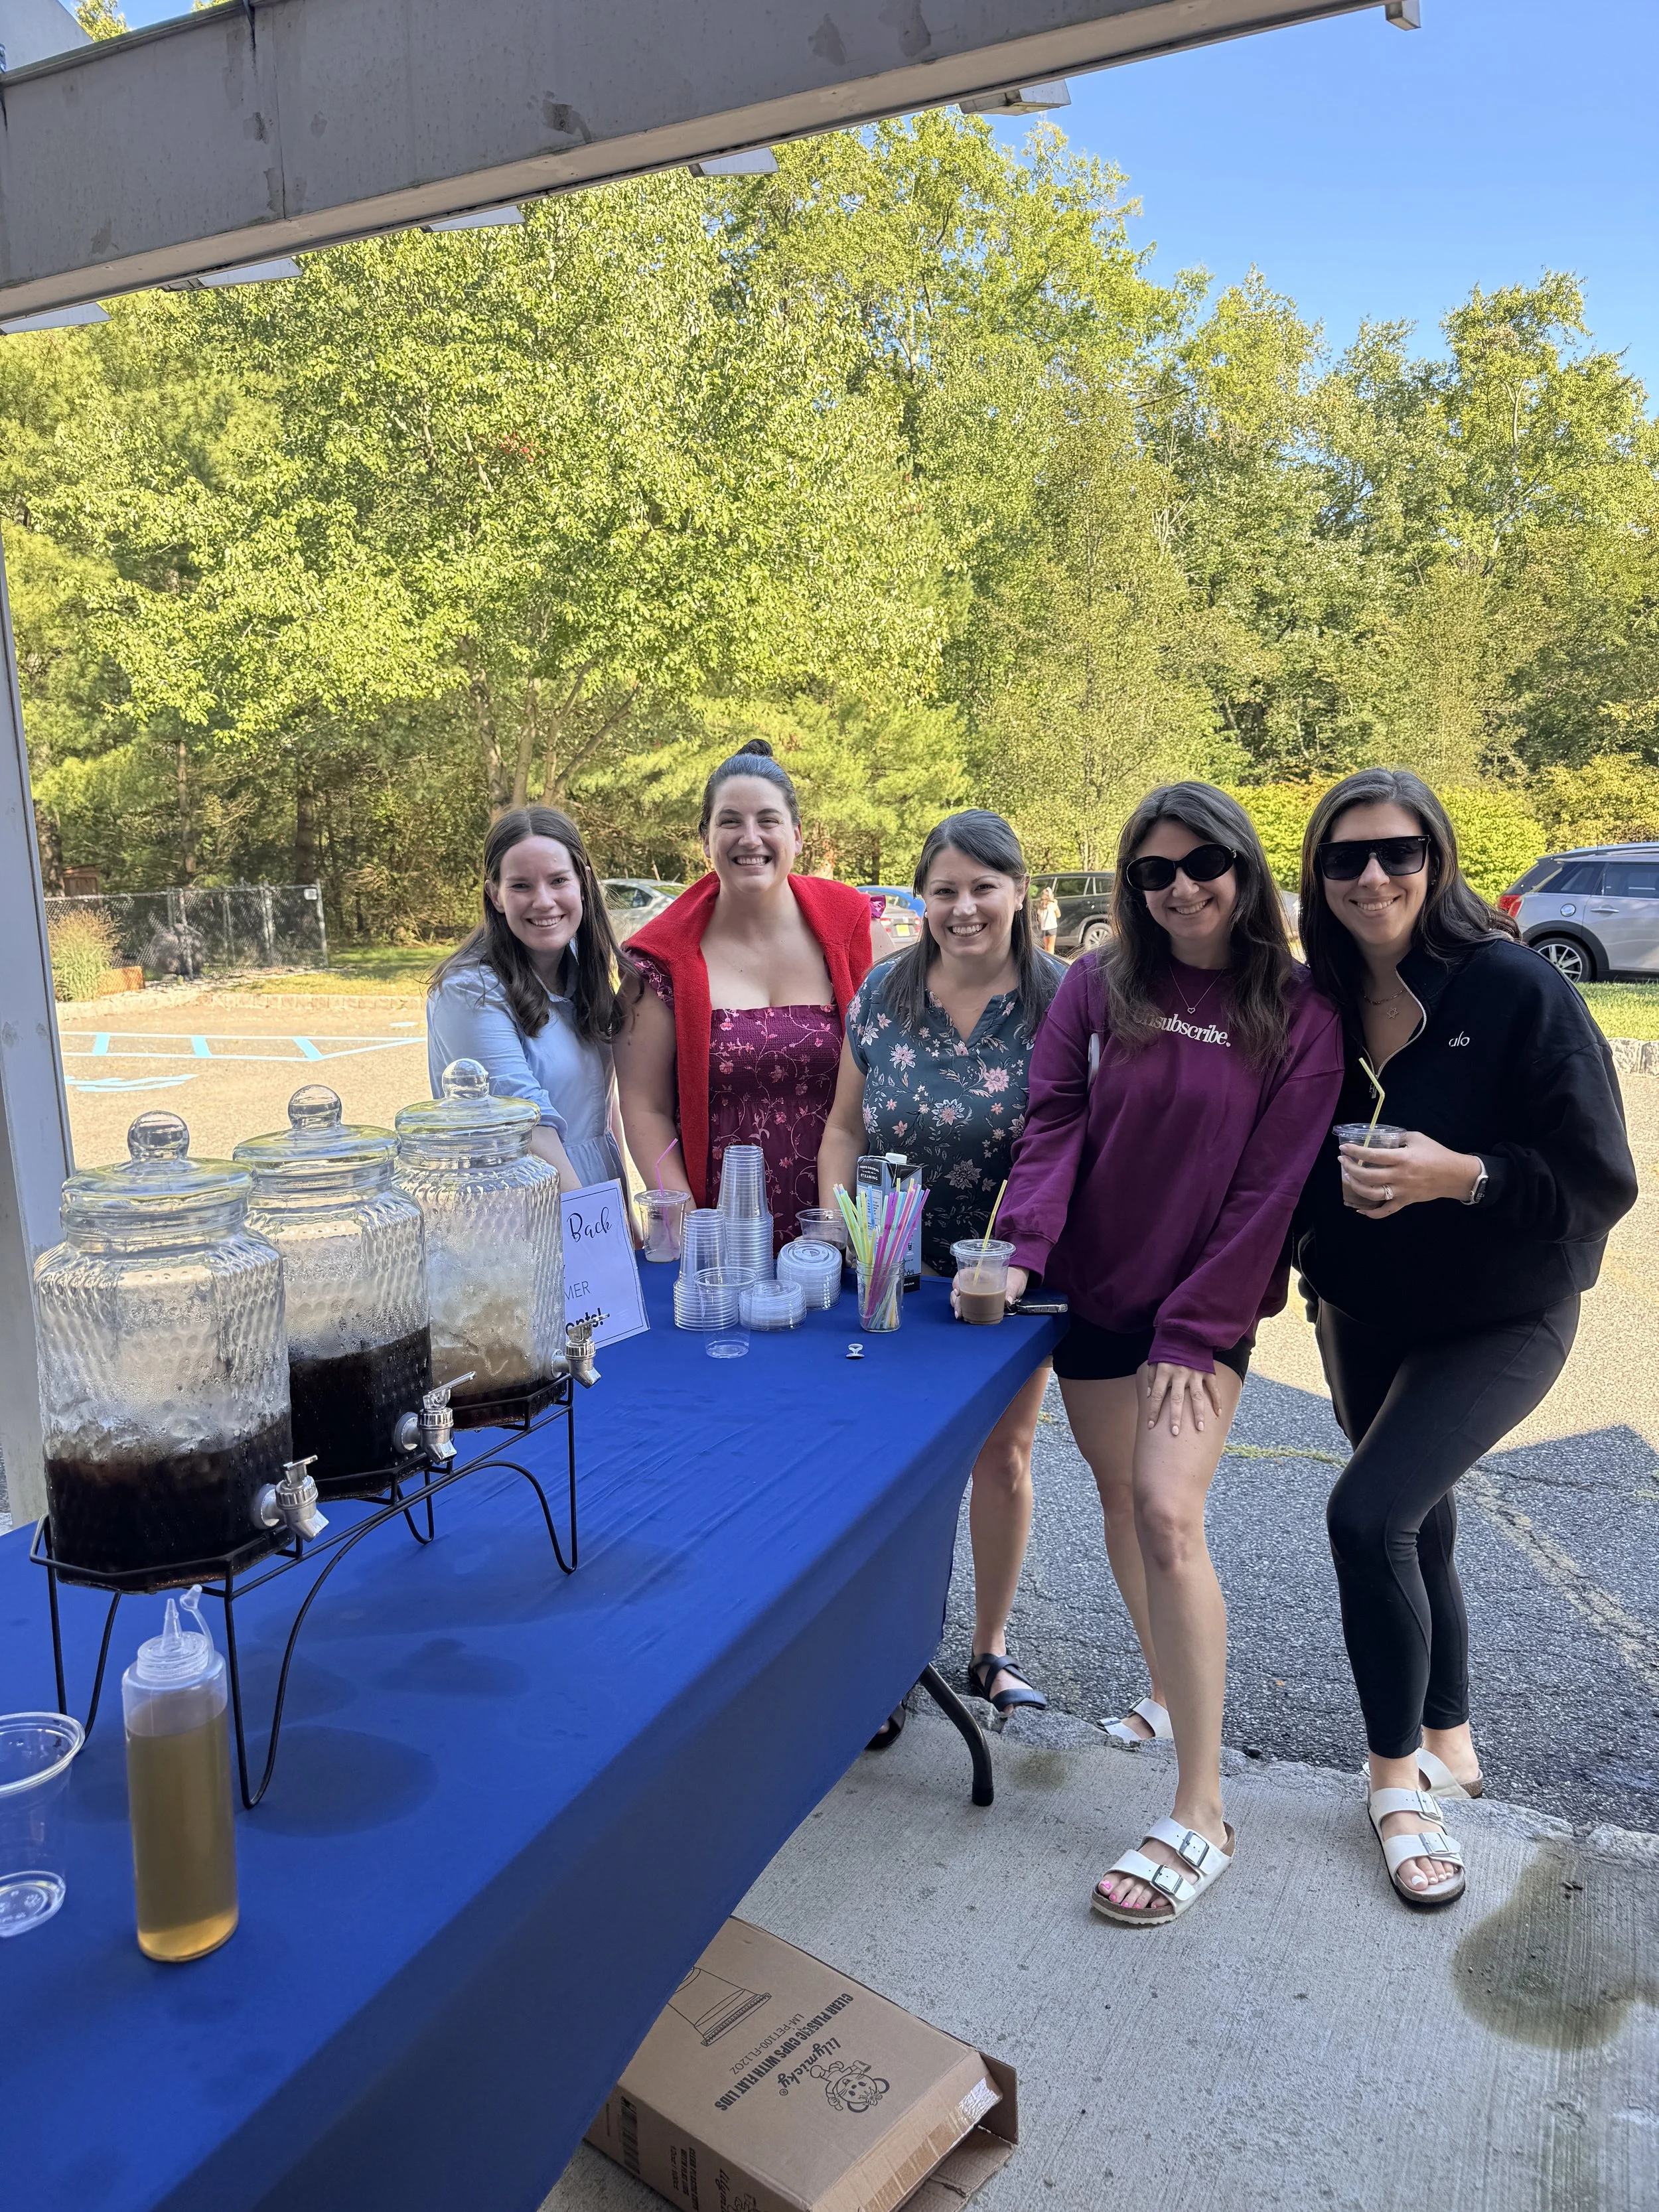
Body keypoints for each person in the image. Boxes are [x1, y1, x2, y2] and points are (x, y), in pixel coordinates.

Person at [997, 782, 1344, 1925]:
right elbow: (1054, 1121)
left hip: (1207, 1305)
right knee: (1116, 1492)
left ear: (1242, 868)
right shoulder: (1100, 986)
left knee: (1166, 1509)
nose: (1183, 886)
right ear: (1131, 888)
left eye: (1204, 863)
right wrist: (1018, 1250)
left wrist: (1198, 1328)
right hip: (1094, 1288)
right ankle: (1167, 1682)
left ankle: (1202, 1805)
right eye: (1154, 871)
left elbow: (1270, 1188)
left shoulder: (1298, 1008)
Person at [1293, 767, 1636, 1910]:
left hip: (1504, 1312)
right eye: (1346, 857)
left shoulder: (1516, 988)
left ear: (1435, 859)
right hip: (1364, 1307)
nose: (1373, 875)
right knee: (1419, 1518)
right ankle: (1451, 1733)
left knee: (1367, 1513)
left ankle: (1396, 1781)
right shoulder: (1319, 998)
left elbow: (1600, 1178)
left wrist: (1464, 1174)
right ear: (1320, 876)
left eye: (1396, 851)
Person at [818, 811, 1066, 1733]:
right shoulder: (883, 994)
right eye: (944, 890)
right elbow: (846, 1127)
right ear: (921, 897)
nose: (963, 908)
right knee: (895, 1466)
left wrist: (1019, 1261)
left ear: (1018, 892)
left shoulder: (1063, 1000)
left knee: (1004, 1455)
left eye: (983, 887)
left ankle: (990, 1649)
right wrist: (850, 1236)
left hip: (1008, 1279)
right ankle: (888, 1660)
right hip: (894, 1272)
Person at [615, 739, 893, 1242]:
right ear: (704, 839)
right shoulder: (657, 960)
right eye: (729, 822)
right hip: (721, 1233)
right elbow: (644, 1108)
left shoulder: (857, 929)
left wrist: (841, 1229)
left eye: (768, 820)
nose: (750, 837)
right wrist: (686, 1228)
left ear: (798, 835)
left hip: (846, 1222)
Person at [427, 807, 634, 1190]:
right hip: (527, 1207)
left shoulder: (581, 972)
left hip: (592, 1198)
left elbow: (602, 1111)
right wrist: (592, 1229)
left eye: (558, 880)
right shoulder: (470, 991)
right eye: (521, 886)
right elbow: (528, 1127)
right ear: (496, 895)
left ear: (584, 884)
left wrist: (623, 1217)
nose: (543, 901)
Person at [1037, 883, 1061, 958]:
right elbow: (1040, 919)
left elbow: (1058, 915)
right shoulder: (1041, 906)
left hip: (1051, 927)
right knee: (1047, 947)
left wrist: (1054, 905)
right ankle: (1048, 962)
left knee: (1049, 948)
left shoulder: (1052, 904)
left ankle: (1050, 962)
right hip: (1045, 928)